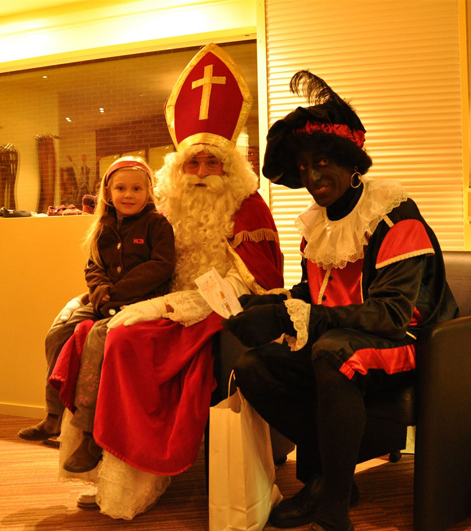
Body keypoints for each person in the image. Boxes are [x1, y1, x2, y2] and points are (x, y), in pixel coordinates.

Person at [57, 43, 284, 518]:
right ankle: (101, 464)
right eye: (191, 164)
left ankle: (137, 477)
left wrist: (175, 306)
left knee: (125, 343)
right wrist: (110, 296)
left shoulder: (249, 207)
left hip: (216, 310)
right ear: (177, 170)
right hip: (157, 301)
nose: (200, 173)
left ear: (230, 166)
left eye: (211, 163)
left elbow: (255, 280)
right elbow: (133, 260)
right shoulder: (164, 208)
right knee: (80, 333)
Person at [224, 71, 459, 531]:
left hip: (411, 338)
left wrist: (294, 315)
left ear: (352, 162)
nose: (314, 176)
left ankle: (331, 502)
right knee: (253, 366)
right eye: (305, 167)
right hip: (347, 333)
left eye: (324, 162)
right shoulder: (317, 224)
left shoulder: (393, 216)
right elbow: (315, 294)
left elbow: (392, 313)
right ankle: (333, 480)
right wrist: (264, 305)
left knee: (331, 354)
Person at [19, 157, 174, 453]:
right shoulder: (103, 225)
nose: (128, 195)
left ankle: (88, 431)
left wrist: (116, 292)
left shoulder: (157, 224)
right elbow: (93, 264)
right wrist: (100, 288)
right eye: (121, 188)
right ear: (108, 191)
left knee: (96, 339)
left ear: (149, 191)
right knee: (57, 333)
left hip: (140, 302)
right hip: (103, 298)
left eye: (136, 189)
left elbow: (161, 266)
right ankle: (53, 415)